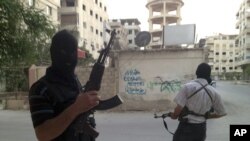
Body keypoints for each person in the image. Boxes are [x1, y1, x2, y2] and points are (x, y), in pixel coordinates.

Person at [29, 30, 100, 141]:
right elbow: (43, 134)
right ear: (53, 53)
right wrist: (76, 108)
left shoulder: (74, 81)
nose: (69, 57)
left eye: (73, 52)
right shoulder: (40, 89)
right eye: (63, 52)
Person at [169, 63, 227, 141]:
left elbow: (178, 108)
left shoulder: (187, 87)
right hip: (200, 129)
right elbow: (222, 113)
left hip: (185, 127)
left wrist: (174, 116)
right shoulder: (214, 92)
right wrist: (207, 116)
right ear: (209, 74)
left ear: (196, 72)